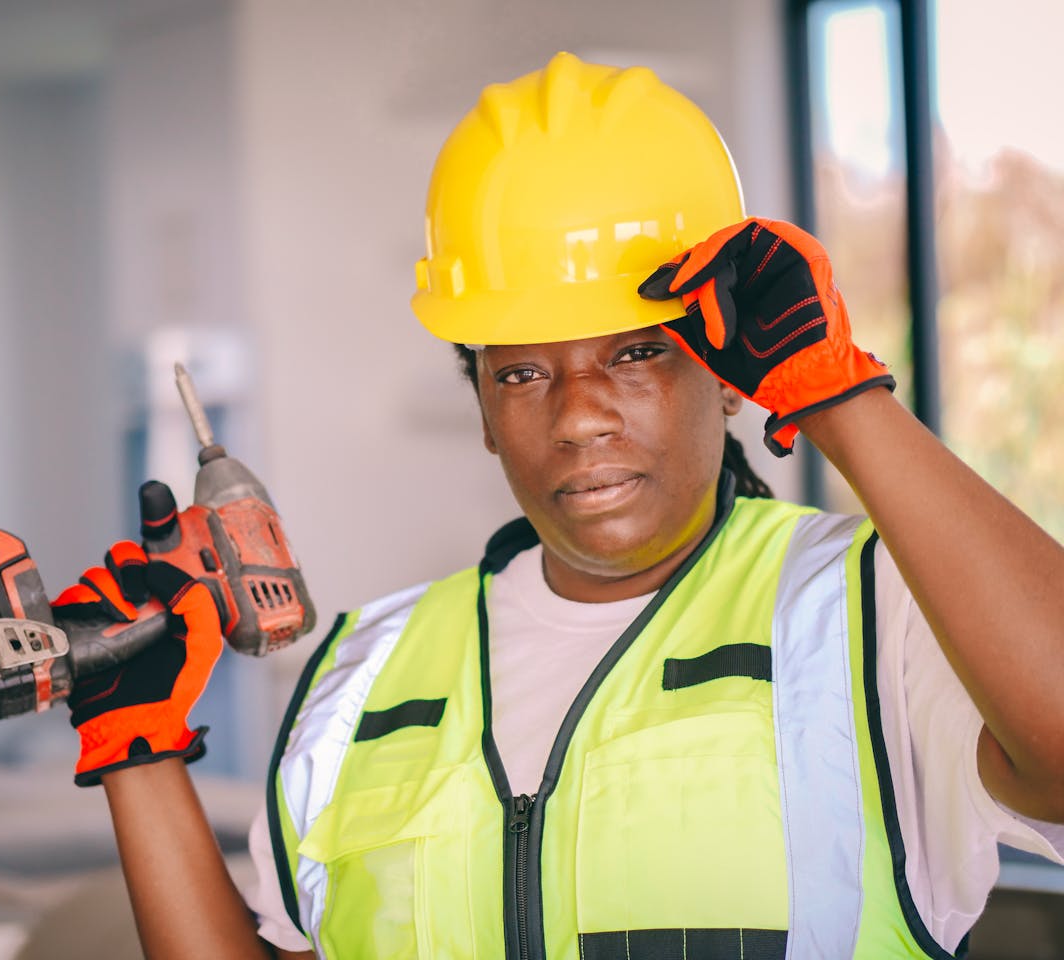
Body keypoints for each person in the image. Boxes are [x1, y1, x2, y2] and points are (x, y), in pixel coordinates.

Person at [52, 53, 1064, 958]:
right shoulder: (358, 678)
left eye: (633, 354)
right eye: (524, 374)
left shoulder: (873, 613)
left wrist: (838, 397)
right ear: (483, 411)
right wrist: (133, 745)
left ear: (725, 374)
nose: (577, 418)